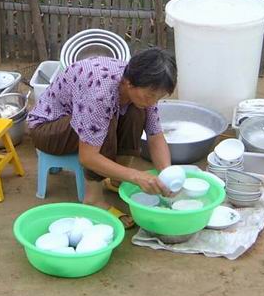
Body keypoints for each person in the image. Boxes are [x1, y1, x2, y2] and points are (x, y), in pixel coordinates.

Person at [28, 47, 176, 224]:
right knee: (105, 122)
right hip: (47, 129)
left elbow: (155, 135)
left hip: (81, 121)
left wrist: (168, 176)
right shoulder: (100, 93)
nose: (153, 102)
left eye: (159, 97)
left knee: (137, 112)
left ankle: (116, 180)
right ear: (129, 83)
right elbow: (87, 157)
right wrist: (136, 176)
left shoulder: (143, 83)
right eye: (150, 96)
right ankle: (93, 200)